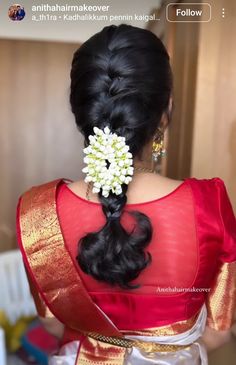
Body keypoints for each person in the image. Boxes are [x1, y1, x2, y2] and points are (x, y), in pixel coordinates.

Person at [16, 24, 236, 365]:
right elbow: (219, 333)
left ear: (83, 115)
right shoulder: (209, 205)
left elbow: (51, 323)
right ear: (166, 111)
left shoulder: (36, 214)